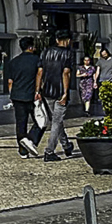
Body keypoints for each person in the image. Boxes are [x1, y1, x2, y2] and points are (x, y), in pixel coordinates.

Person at [34, 29, 78, 162]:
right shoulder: (68, 53)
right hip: (59, 92)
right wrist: (65, 93)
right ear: (68, 40)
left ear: (57, 40)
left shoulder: (45, 52)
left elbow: (40, 72)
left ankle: (66, 145)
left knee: (57, 120)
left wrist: (37, 90)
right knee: (56, 122)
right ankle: (49, 151)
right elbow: (66, 73)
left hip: (47, 90)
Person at [5, 36, 42, 158]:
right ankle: (31, 139)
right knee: (41, 120)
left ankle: (23, 150)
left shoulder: (13, 62)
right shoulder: (36, 59)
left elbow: (10, 81)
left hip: (17, 95)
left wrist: (11, 95)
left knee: (21, 123)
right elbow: (40, 74)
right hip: (31, 95)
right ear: (30, 47)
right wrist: (38, 90)